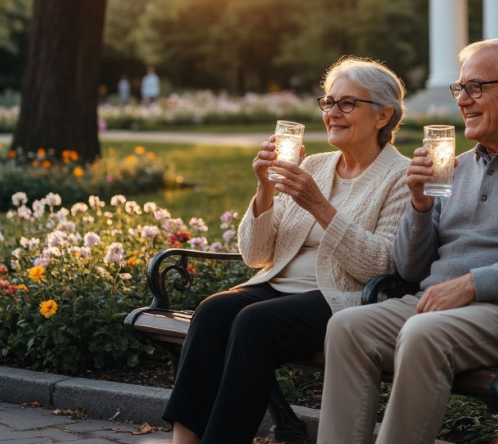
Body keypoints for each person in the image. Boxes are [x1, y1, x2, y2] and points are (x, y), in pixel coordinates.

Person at [316, 38, 498, 444]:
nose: (463, 100)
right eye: (460, 89)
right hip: (439, 306)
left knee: (424, 333)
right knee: (348, 327)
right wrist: (419, 205)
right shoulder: (458, 167)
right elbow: (411, 270)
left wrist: (472, 283)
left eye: (476, 88)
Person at [161, 56, 411, 443]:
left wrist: (320, 207)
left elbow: (380, 263)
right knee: (213, 311)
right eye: (328, 103)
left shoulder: (399, 176)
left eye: (347, 103)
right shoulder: (316, 164)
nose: (332, 113)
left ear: (383, 116)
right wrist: (264, 188)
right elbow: (257, 255)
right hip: (278, 287)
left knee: (254, 322)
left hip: (340, 296)